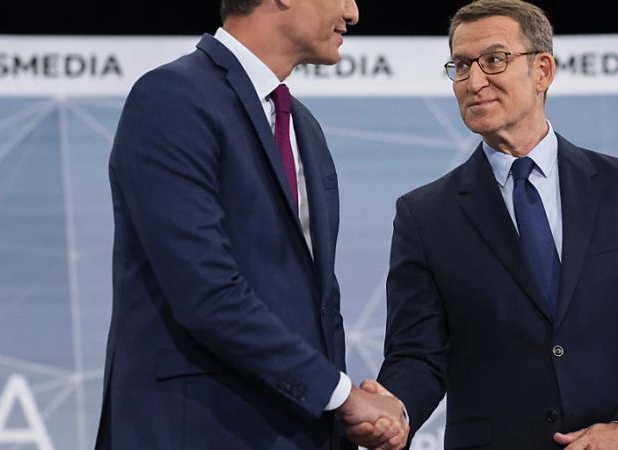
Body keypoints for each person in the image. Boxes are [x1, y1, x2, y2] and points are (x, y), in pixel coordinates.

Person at [358, 1, 618, 449]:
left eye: (494, 60)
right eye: (461, 66)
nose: (474, 81)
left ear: (543, 70)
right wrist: (396, 411)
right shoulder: (424, 214)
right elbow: (417, 356)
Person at [95, 0, 408, 448]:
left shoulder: (303, 125)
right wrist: (340, 396)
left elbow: (317, 304)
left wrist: (342, 415)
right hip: (197, 430)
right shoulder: (171, 97)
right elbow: (205, 291)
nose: (353, 11)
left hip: (298, 429)